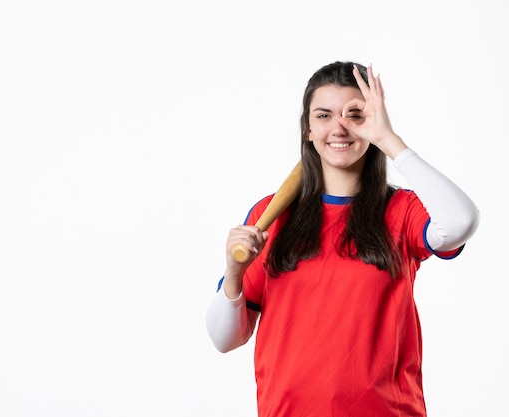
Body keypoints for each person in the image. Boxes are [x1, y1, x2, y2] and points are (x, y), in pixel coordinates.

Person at [205, 61, 480, 417]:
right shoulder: (270, 215)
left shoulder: (403, 210)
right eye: (323, 115)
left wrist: (390, 140)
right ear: (307, 129)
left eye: (355, 115)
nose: (339, 127)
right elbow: (225, 340)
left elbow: (461, 221)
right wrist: (234, 272)